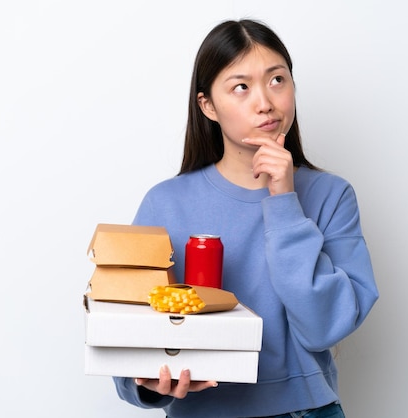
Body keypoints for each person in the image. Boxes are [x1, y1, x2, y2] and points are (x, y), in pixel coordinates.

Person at [113, 19, 379, 418]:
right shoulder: (165, 204)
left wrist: (284, 201)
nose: (265, 102)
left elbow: (324, 327)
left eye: (277, 80)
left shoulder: (330, 196)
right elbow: (126, 329)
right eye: (241, 87)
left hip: (305, 411)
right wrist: (148, 386)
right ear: (208, 106)